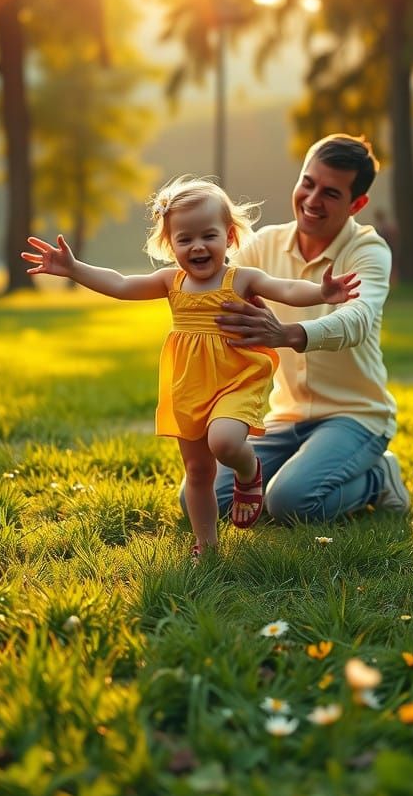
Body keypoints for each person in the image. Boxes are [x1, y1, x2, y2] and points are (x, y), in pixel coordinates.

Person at [21, 175, 360, 559]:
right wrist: (74, 268)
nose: (197, 246)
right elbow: (120, 283)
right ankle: (208, 545)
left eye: (208, 236)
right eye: (185, 239)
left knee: (225, 442)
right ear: (170, 245)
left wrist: (322, 292)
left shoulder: (241, 278)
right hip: (189, 385)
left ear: (229, 237)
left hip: (236, 379)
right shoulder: (171, 282)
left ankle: (250, 472)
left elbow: (286, 289)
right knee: (198, 471)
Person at [206, 133, 411, 524]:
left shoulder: (368, 250)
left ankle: (379, 478)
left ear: (358, 204)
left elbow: (358, 320)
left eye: (331, 193)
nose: (312, 200)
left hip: (356, 416)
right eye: (308, 183)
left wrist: (287, 334)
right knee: (207, 496)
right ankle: (296, 475)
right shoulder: (263, 246)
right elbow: (212, 288)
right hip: (285, 418)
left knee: (290, 502)